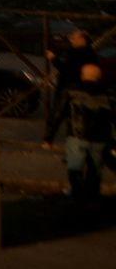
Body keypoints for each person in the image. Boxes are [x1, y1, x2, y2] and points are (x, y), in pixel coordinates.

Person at [45, 26, 114, 202]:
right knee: (94, 168)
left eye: (74, 37)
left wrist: (48, 137)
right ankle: (92, 195)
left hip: (77, 133)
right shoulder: (106, 96)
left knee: (75, 166)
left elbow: (58, 113)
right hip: (99, 136)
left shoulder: (72, 90)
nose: (71, 39)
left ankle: (77, 194)